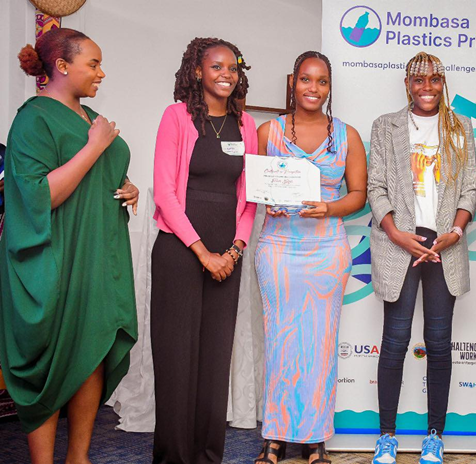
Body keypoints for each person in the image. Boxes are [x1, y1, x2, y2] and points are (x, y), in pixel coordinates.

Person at [0, 28, 139, 464]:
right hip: (55, 259)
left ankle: (78, 458)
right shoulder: (33, 118)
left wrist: (127, 186)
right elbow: (40, 194)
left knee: (91, 352)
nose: (101, 73)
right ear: (62, 66)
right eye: (93, 64)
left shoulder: (90, 118)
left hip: (99, 256)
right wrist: (96, 148)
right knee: (49, 363)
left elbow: (100, 178)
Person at [254, 51, 367, 464]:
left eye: (321, 82)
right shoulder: (270, 131)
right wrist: (270, 200)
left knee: (320, 344)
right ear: (293, 83)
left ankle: (315, 439)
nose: (313, 89)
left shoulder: (348, 135)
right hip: (279, 249)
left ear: (329, 87)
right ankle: (275, 436)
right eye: (305, 80)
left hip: (326, 251)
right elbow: (254, 187)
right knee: (280, 342)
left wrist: (329, 208)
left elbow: (359, 194)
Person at [367, 51, 476, 464]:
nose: (426, 87)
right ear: (407, 84)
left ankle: (435, 435)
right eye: (418, 80)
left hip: (443, 247)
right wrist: (396, 233)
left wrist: (454, 232)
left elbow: (469, 189)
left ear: (443, 81)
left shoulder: (459, 126)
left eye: (434, 79)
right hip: (401, 244)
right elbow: (376, 187)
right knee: (394, 342)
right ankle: (387, 436)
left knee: (438, 342)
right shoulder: (385, 126)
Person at [150, 37, 257, 464]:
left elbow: (249, 198)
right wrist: (202, 251)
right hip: (179, 251)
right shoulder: (176, 117)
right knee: (177, 362)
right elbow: (165, 193)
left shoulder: (245, 125)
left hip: (227, 256)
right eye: (216, 67)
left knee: (214, 363)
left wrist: (233, 250)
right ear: (198, 71)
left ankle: (208, 456)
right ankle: (173, 458)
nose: (226, 74)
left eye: (232, 67)